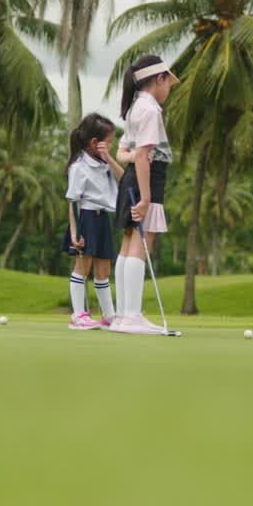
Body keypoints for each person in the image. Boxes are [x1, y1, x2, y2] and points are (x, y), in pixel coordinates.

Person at [109, 55, 179, 336]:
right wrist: (147, 199)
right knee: (139, 244)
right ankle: (132, 316)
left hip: (132, 179)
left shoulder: (135, 106)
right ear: (159, 79)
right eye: (169, 83)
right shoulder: (150, 110)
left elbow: (124, 152)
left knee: (127, 246)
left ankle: (124, 316)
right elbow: (141, 155)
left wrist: (137, 164)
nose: (169, 89)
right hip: (146, 180)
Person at [62, 113, 123, 330]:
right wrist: (75, 233)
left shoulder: (105, 163)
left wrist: (110, 158)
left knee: (104, 270)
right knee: (82, 268)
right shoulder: (79, 166)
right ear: (94, 142)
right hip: (85, 218)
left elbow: (124, 178)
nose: (112, 144)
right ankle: (78, 315)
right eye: (109, 141)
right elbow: (73, 201)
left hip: (102, 218)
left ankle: (109, 316)